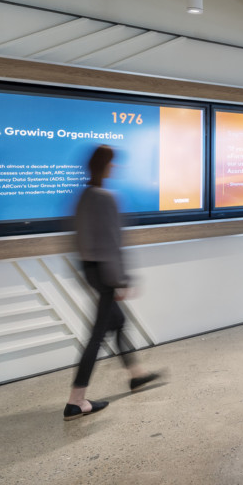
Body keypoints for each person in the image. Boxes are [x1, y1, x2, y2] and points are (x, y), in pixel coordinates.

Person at [66, 145, 160, 421]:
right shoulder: (105, 197)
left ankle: (136, 375)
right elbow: (112, 244)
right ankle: (76, 401)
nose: (115, 167)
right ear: (106, 166)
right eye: (113, 163)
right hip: (107, 272)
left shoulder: (83, 195)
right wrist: (122, 279)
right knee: (96, 336)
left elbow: (80, 240)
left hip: (91, 271)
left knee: (117, 323)